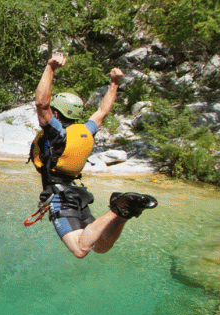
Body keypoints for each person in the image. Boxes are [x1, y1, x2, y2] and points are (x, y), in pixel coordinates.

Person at [31, 52, 156, 259]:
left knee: (80, 250)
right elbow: (102, 111)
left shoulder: (55, 133)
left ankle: (118, 208)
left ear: (56, 114)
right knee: (100, 246)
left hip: (60, 197)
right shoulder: (85, 130)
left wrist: (50, 68)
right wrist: (114, 83)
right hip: (76, 193)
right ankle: (124, 212)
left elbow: (41, 104)